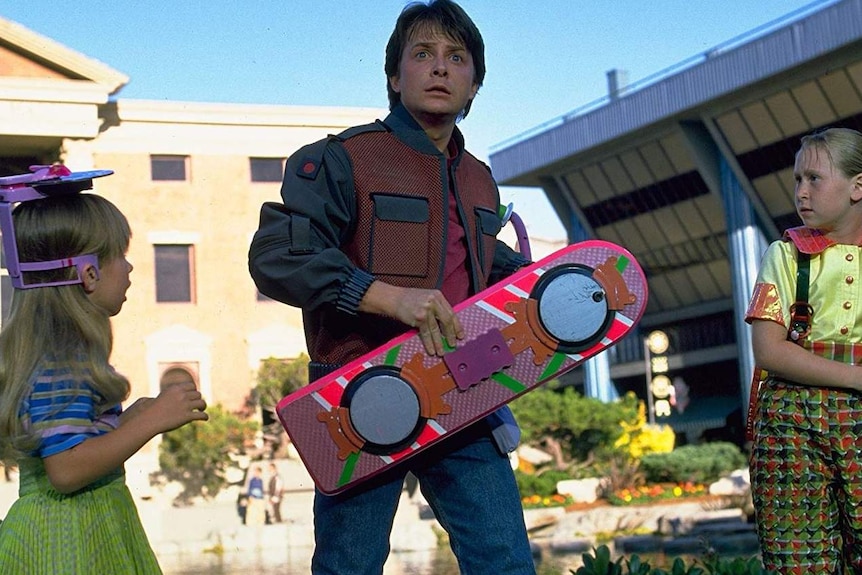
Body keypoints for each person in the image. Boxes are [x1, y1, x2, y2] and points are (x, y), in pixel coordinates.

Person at [248, 1, 536, 572]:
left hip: (466, 388)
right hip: (358, 394)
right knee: (349, 564)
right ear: (393, 75)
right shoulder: (342, 159)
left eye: (457, 58)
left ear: (474, 83)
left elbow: (483, 263)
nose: (439, 69)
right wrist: (388, 297)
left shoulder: (479, 177)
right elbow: (277, 255)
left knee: (504, 560)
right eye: (422, 54)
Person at [0, 187, 209, 574]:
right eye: (121, 257)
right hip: (69, 540)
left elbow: (74, 440)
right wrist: (151, 421)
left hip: (78, 528)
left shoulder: (62, 355)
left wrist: (130, 418)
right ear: (90, 274)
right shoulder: (62, 359)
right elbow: (66, 469)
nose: (129, 269)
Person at [745, 127, 862, 573]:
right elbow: (770, 351)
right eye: (797, 180)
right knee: (799, 557)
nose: (801, 192)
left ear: (858, 186)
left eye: (814, 179)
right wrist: (854, 377)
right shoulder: (787, 254)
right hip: (791, 424)